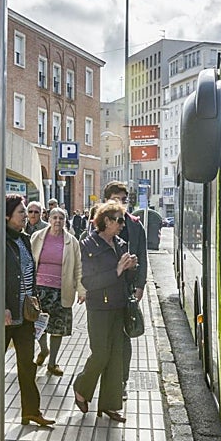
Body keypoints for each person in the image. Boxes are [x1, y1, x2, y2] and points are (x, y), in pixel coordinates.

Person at [72, 201, 137, 422]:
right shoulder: (88, 245)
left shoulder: (120, 243)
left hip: (118, 306)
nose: (122, 225)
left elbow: (126, 278)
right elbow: (89, 281)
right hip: (99, 307)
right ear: (106, 221)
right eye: (119, 220)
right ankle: (81, 386)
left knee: (116, 355)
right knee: (100, 354)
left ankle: (110, 404)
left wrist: (130, 268)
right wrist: (117, 269)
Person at [5, 193, 55, 427]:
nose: (26, 216)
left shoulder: (25, 240)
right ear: (7, 216)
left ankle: (31, 411)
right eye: (21, 212)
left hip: (25, 315)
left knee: (27, 364)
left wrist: (35, 304)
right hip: (5, 316)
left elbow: (29, 276)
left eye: (26, 212)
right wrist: (1, 307)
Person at [104, 181, 147, 402]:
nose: (121, 202)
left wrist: (140, 286)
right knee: (104, 340)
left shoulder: (135, 225)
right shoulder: (98, 223)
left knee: (125, 337)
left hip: (127, 289)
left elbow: (142, 254)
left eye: (124, 199)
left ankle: (122, 381)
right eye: (117, 198)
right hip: (104, 289)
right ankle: (105, 382)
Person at [30, 206, 84, 376]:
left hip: (61, 290)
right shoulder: (37, 237)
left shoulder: (72, 241)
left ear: (65, 221)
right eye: (54, 218)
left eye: (61, 218)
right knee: (38, 325)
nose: (57, 221)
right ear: (49, 219)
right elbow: (29, 262)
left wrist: (81, 290)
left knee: (57, 327)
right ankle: (43, 350)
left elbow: (79, 267)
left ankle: (52, 363)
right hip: (39, 290)